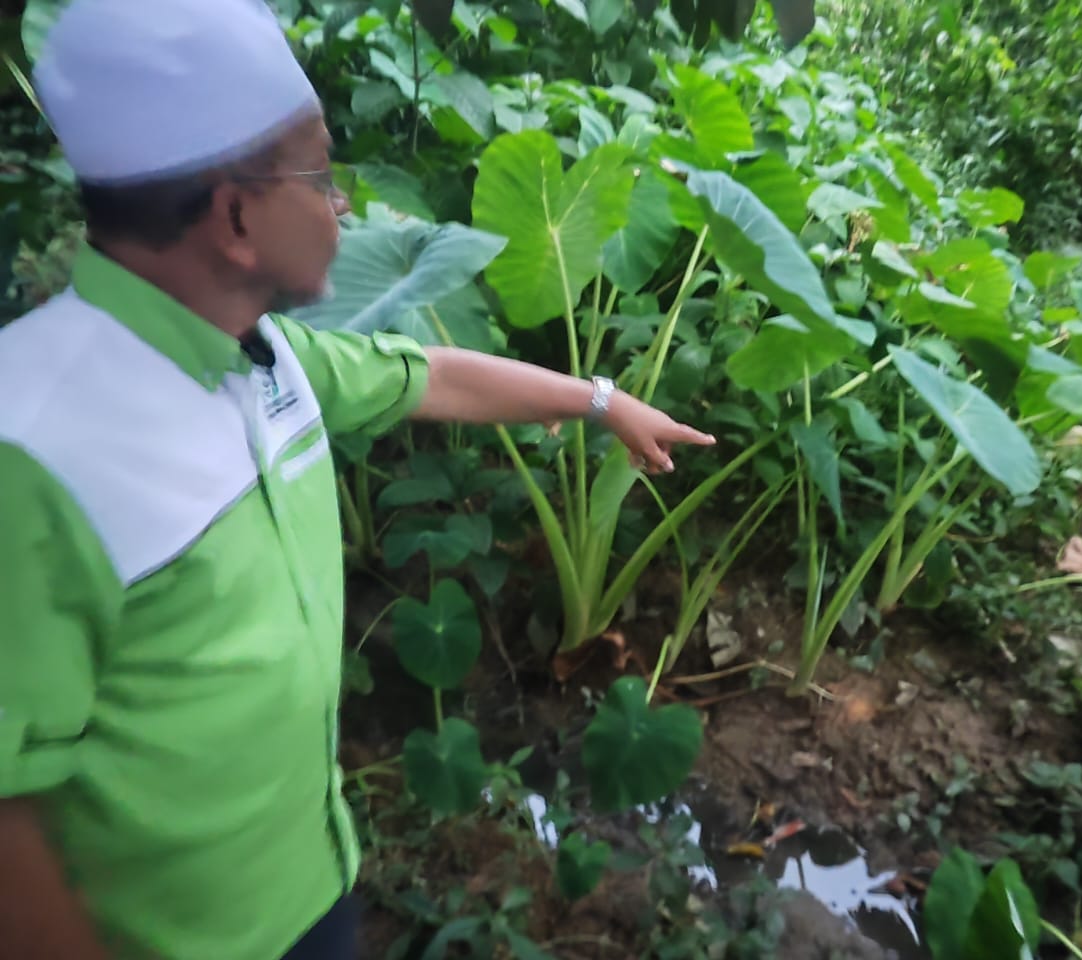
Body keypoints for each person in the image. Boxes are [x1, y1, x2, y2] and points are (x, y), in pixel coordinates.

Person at [0, 1, 716, 958]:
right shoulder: (32, 450)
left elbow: (440, 376)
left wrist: (602, 402)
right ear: (239, 216)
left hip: (315, 890)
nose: (343, 206)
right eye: (320, 174)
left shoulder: (266, 354)